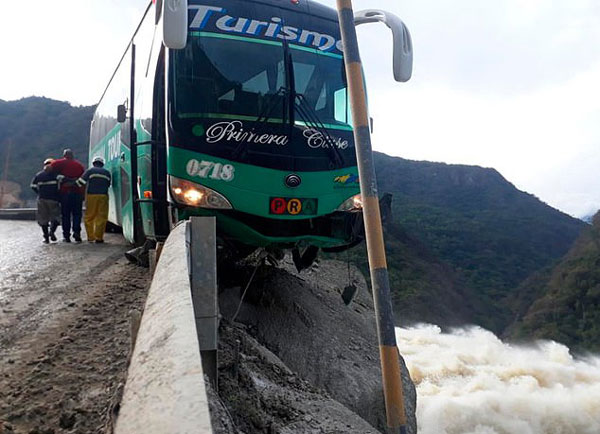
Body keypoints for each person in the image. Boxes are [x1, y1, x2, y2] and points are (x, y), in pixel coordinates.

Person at [50, 148, 85, 243]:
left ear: (64, 155)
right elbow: (83, 181)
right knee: (77, 215)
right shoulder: (79, 166)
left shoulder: (58, 163)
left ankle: (66, 236)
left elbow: (49, 169)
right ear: (72, 155)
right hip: (77, 193)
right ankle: (77, 233)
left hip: (65, 193)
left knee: (65, 215)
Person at [76, 156, 112, 243]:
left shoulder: (90, 171)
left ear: (94, 163)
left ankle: (91, 237)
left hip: (92, 195)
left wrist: (72, 183)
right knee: (102, 217)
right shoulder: (107, 173)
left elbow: (80, 182)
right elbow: (108, 184)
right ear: (102, 164)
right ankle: (99, 238)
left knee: (89, 216)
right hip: (103, 196)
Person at [30, 158, 61, 244]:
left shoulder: (39, 175)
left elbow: (32, 186)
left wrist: (39, 192)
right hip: (54, 199)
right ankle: (52, 232)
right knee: (56, 217)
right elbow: (62, 185)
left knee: (43, 219)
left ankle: (46, 238)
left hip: (42, 199)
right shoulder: (57, 175)